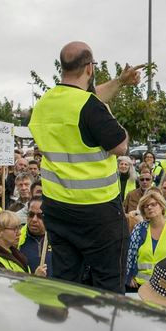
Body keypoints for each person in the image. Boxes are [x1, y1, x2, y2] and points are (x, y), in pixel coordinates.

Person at [28, 41, 142, 293]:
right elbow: (121, 145)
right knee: (108, 287)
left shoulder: (45, 103)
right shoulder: (93, 109)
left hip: (58, 209)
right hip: (98, 212)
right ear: (90, 68)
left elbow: (83, 102)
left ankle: (68, 329)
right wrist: (107, 111)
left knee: (67, 282)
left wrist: (120, 82)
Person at [0, 210, 44, 275]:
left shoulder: (13, 252)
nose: (19, 233)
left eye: (19, 228)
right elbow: (6, 286)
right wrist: (36, 278)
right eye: (14, 229)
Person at [19, 198, 52, 274]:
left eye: (40, 216)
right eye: (31, 214)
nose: (34, 219)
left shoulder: (57, 238)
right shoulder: (17, 238)